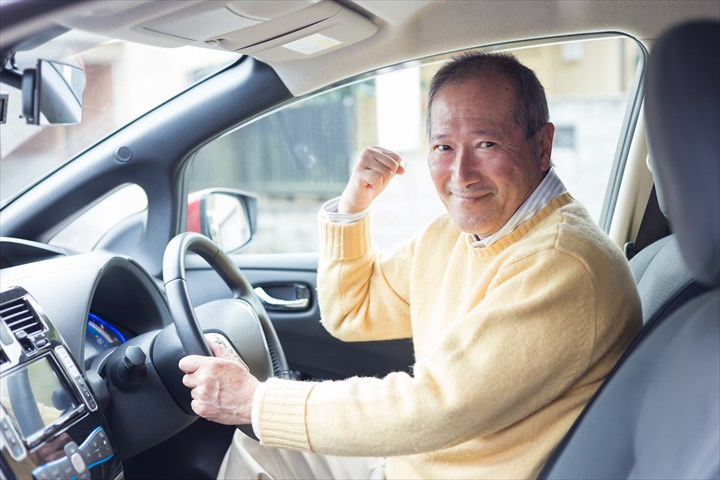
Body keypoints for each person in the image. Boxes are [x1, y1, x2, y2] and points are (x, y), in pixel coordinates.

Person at [178, 51, 642, 479]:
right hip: (416, 465)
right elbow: (350, 311)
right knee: (260, 446)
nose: (460, 175)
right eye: (443, 148)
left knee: (262, 434)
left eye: (485, 144)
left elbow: (435, 406)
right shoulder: (459, 235)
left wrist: (257, 400)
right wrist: (353, 207)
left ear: (542, 146)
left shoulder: (561, 263)